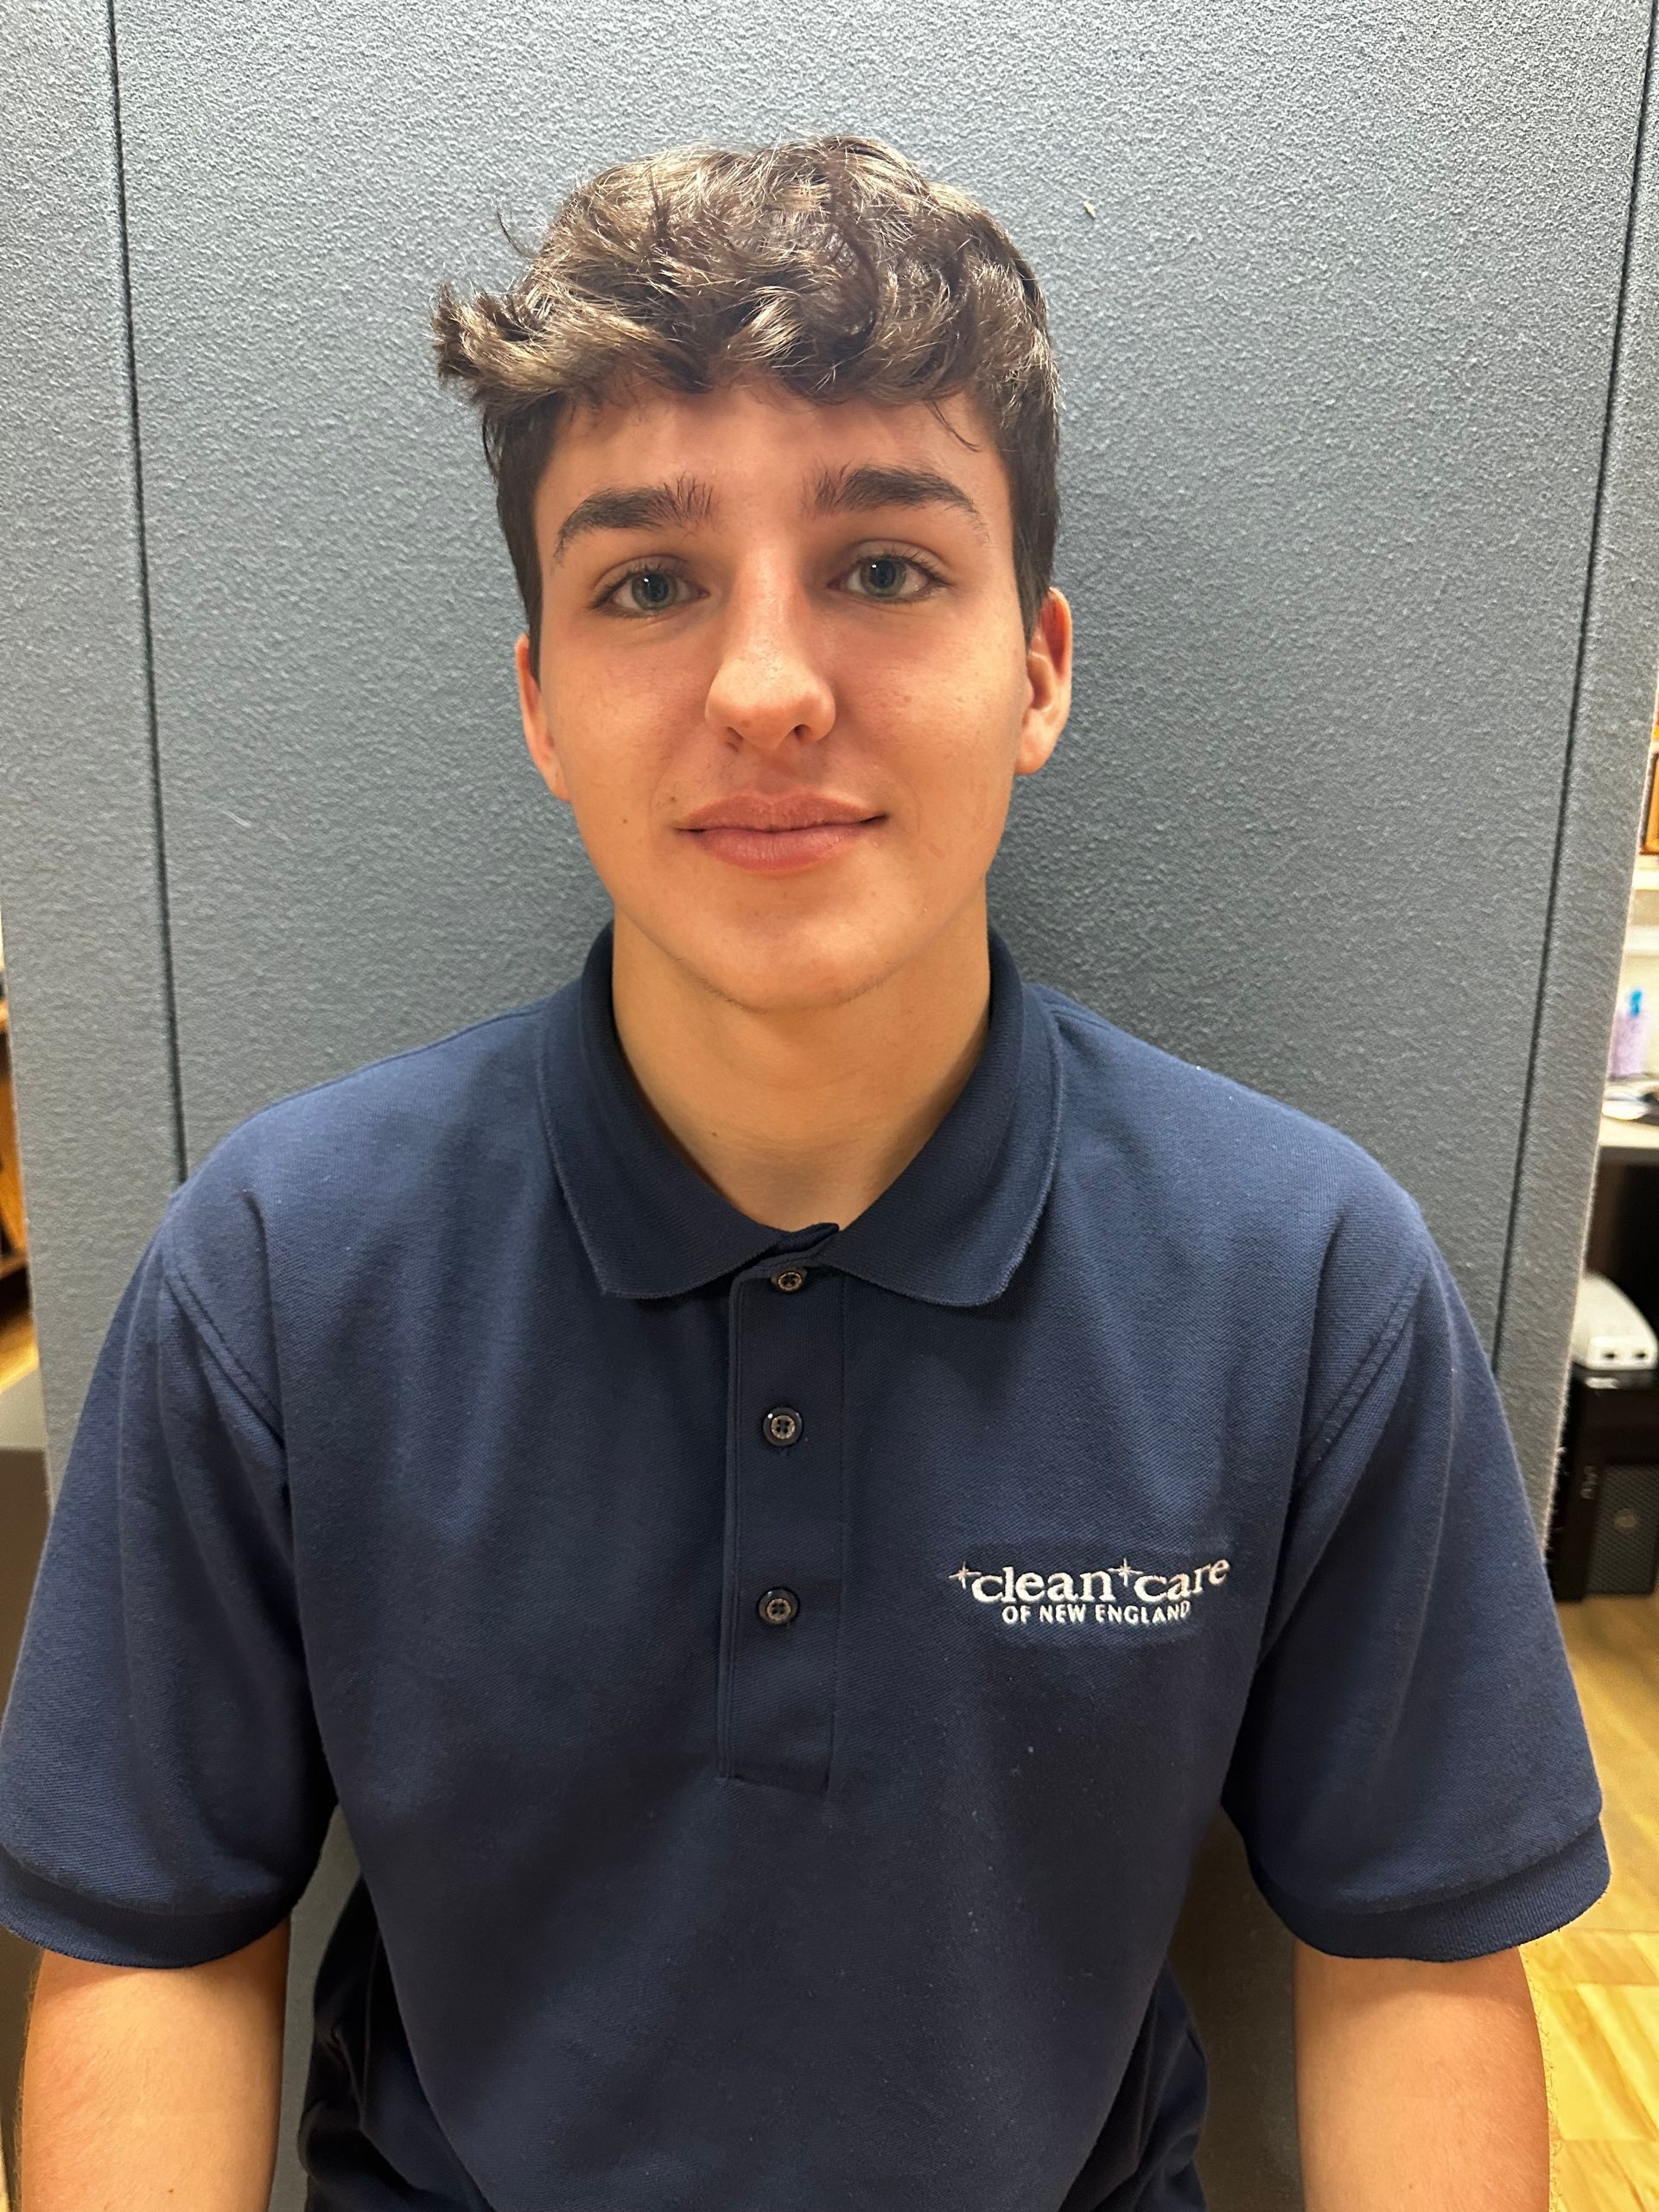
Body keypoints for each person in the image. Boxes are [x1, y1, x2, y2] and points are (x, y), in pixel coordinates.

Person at [0, 134, 1608, 2212]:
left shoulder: (1303, 1280)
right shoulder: (286, 1273)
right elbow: (153, 1947)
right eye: (649, 582)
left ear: (1035, 667)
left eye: (882, 564)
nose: (765, 686)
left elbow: (1412, 1964)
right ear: (542, 702)